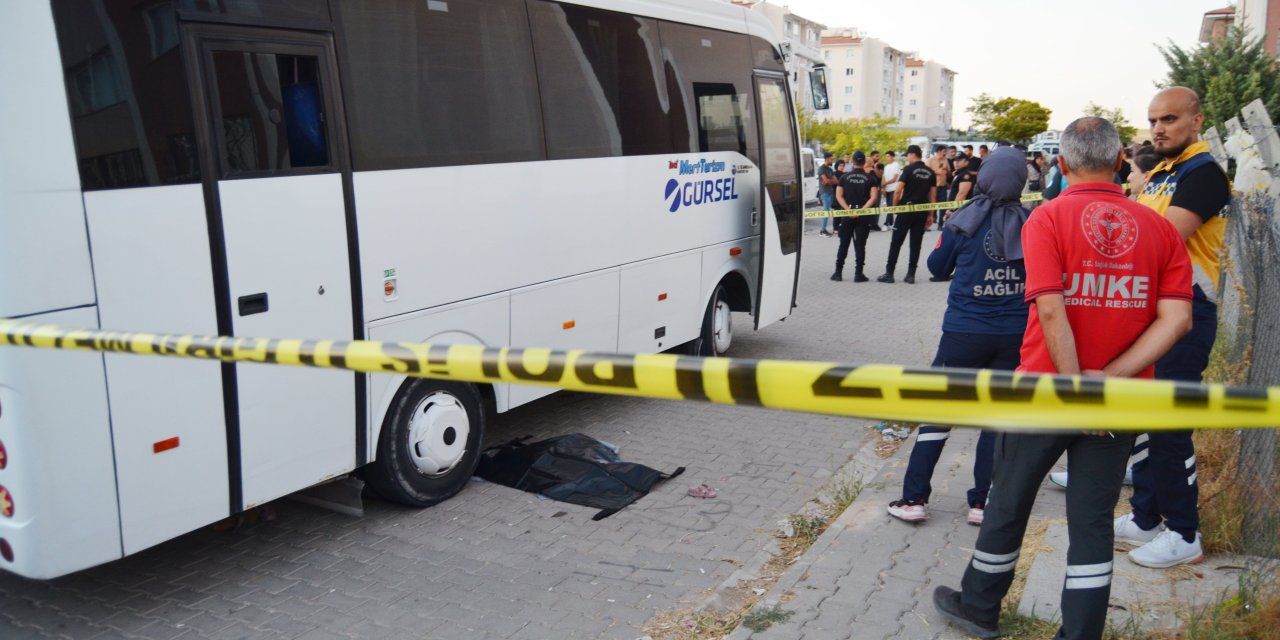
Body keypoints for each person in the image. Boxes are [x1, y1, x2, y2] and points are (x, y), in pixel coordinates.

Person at [932, 117, 1193, 640]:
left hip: (1048, 393)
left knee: (1008, 500)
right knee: (1092, 523)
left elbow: (1052, 311)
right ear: (1121, 161)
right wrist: (1106, 384)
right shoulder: (1161, 226)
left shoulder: (1047, 218)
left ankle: (980, 607)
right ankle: (1080, 633)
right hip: (1118, 401)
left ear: (1064, 164)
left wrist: (1076, 390)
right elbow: (1178, 319)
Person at [887, 147, 1029, 526]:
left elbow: (936, 267)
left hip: (963, 333)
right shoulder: (1034, 223)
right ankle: (982, 504)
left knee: (938, 413)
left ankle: (914, 498)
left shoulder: (962, 220)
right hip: (1015, 335)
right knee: (996, 420)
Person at [1119, 87, 1230, 568]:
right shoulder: (1162, 172)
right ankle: (1146, 517)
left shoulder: (1204, 174)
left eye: (1169, 119)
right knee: (1145, 417)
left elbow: (1162, 237)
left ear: (1196, 121)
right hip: (1151, 312)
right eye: (1152, 120)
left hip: (1188, 313)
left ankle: (1185, 534)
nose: (1158, 128)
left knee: (1169, 425)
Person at [879, 145, 935, 284]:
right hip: (921, 211)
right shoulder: (930, 172)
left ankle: (889, 273)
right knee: (916, 244)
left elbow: (898, 191)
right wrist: (930, 215)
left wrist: (894, 207)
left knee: (896, 242)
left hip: (906, 210)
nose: (907, 158)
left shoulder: (908, 169)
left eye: (907, 156)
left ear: (912, 154)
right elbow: (933, 196)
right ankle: (911, 275)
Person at [830, 150, 880, 282]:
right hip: (863, 217)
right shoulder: (871, 178)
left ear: (852, 162)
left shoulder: (844, 177)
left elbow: (838, 196)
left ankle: (838, 273)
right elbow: (874, 198)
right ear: (864, 162)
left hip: (847, 216)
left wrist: (848, 210)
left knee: (843, 244)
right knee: (860, 245)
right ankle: (858, 274)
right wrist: (861, 211)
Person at [818, 153, 837, 237]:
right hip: (825, 193)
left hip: (830, 192)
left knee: (827, 211)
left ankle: (824, 229)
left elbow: (836, 181)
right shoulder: (821, 169)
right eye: (831, 159)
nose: (832, 161)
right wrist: (829, 181)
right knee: (825, 211)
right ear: (827, 159)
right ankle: (822, 230)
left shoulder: (830, 169)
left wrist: (829, 181)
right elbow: (825, 181)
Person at [881, 151, 902, 230]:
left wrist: (885, 183)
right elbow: (884, 177)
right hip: (887, 189)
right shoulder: (886, 167)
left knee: (890, 206)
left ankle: (886, 223)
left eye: (888, 156)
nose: (887, 158)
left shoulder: (896, 165)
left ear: (892, 157)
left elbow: (894, 179)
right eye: (886, 156)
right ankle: (891, 223)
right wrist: (883, 188)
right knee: (889, 206)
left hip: (894, 188)